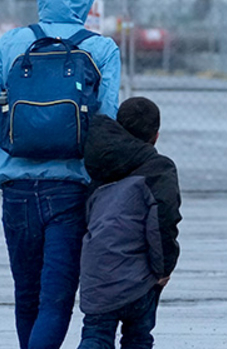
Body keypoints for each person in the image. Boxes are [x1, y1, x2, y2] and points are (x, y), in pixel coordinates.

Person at [0, 0, 121, 349]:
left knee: (26, 299)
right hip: (71, 192)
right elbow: (107, 123)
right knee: (55, 303)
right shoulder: (101, 48)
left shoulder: (10, 44)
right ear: (87, 1)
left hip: (18, 192)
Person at [77, 97, 181, 349]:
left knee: (95, 336)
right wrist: (163, 269)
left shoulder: (97, 160)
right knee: (138, 338)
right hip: (139, 279)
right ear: (155, 136)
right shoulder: (158, 169)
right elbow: (163, 224)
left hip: (98, 274)